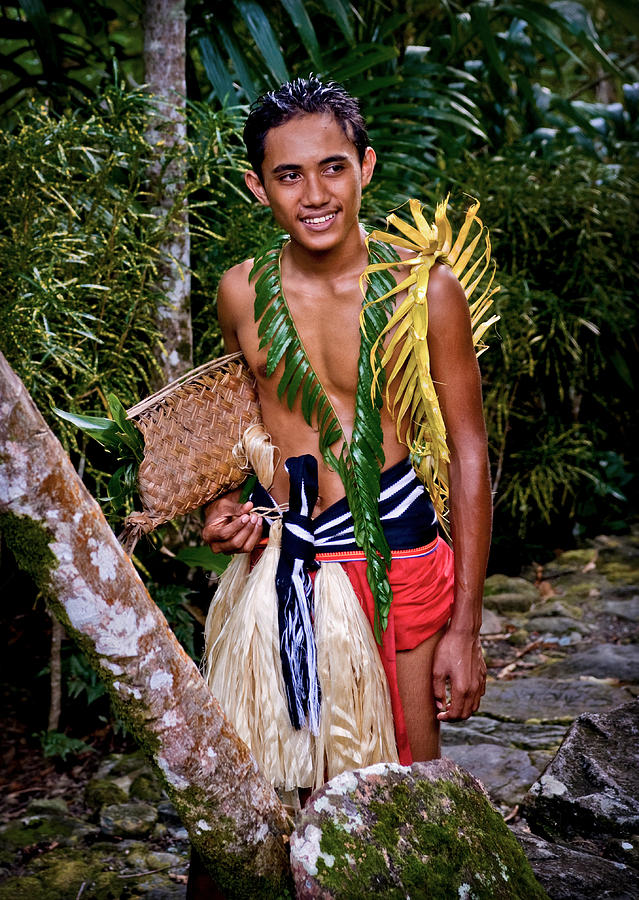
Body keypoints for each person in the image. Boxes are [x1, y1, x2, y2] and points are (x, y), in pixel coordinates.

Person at [202, 76, 490, 770]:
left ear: (364, 165)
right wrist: (219, 508)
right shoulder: (240, 291)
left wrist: (467, 627)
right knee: (261, 800)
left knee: (406, 789)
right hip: (280, 559)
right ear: (257, 186)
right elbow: (233, 430)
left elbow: (467, 451)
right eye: (289, 175)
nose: (315, 194)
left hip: (398, 557)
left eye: (333, 167)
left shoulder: (422, 291)